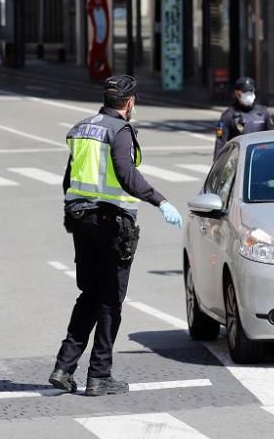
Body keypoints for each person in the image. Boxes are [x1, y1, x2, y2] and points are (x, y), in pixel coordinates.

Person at [50, 75, 183, 397]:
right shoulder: (120, 130)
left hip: (81, 218)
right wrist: (160, 201)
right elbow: (126, 174)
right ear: (130, 102)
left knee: (90, 294)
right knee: (110, 300)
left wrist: (73, 213)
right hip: (112, 221)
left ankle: (64, 367)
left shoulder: (82, 127)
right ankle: (99, 376)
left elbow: (69, 178)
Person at [214, 77, 273, 158]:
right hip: (239, 162)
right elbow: (220, 143)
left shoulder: (263, 113)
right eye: (245, 92)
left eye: (250, 91)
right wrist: (217, 166)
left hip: (261, 160)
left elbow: (273, 139)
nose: (248, 94)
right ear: (237, 93)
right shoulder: (228, 116)